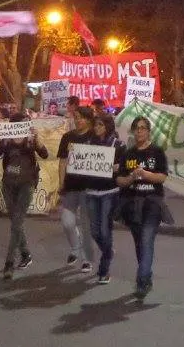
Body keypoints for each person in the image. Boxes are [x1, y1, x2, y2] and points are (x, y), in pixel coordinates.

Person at [115, 115, 172, 299]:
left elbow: (162, 177)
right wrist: (132, 177)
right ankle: (146, 276)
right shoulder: (128, 154)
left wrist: (146, 174)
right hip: (132, 203)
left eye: (143, 128)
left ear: (148, 131)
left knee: (147, 239)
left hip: (152, 202)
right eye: (136, 128)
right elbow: (120, 181)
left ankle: (141, 280)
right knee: (139, 242)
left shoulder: (157, 152)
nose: (139, 131)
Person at [0, 114, 48, 278]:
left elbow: (45, 154)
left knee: (16, 223)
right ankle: (26, 254)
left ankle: (9, 263)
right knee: (16, 222)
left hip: (26, 185)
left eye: (25, 124)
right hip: (8, 185)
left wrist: (37, 139)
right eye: (18, 124)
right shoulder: (5, 141)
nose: (22, 126)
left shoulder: (30, 140)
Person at [56, 105, 97, 273]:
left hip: (89, 187)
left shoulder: (95, 136)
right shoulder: (67, 137)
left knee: (86, 225)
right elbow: (62, 162)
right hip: (71, 186)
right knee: (67, 222)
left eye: (81, 117)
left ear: (89, 119)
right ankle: (75, 247)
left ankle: (87, 259)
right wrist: (61, 182)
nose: (78, 120)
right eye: (76, 117)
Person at [85, 113, 123, 284]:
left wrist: (119, 167)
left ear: (108, 126)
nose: (97, 128)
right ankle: (108, 251)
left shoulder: (118, 145)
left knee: (105, 230)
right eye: (96, 125)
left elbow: (129, 164)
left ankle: (104, 268)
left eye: (100, 125)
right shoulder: (88, 144)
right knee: (94, 230)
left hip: (109, 191)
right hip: (92, 191)